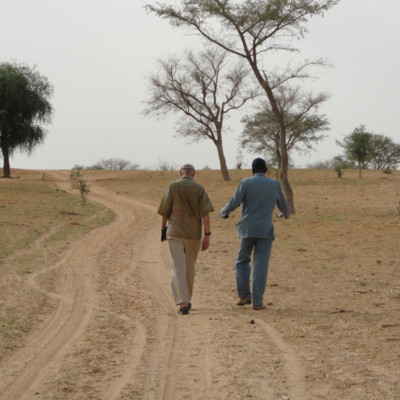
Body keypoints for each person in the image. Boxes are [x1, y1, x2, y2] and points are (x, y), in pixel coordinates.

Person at [220, 158, 290, 310]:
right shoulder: (275, 184)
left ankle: (245, 295)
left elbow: (235, 201)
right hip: (265, 230)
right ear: (266, 170)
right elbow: (285, 209)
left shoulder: (246, 182)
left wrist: (223, 212)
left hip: (247, 230)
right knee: (260, 265)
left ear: (252, 170)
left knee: (242, 261)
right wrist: (282, 214)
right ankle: (258, 302)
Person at [158, 164, 214, 315]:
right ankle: (187, 299)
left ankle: (183, 302)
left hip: (174, 232)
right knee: (190, 267)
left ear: (180, 173)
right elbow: (206, 214)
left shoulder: (172, 186)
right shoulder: (199, 189)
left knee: (178, 267)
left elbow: (164, 210)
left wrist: (163, 228)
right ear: (193, 174)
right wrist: (207, 235)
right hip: (193, 233)